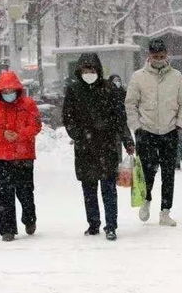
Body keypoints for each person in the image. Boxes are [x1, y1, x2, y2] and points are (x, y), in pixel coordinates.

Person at [63, 53, 135, 241]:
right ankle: (93, 223)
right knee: (89, 188)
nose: (89, 73)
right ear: (79, 71)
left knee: (109, 188)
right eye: (85, 69)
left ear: (98, 70)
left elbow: (120, 118)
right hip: (85, 148)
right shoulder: (73, 91)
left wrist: (127, 139)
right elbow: (68, 118)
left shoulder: (109, 89)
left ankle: (111, 225)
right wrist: (79, 135)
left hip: (107, 145)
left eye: (92, 69)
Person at [125, 38, 182, 227]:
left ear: (167, 55)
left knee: (169, 173)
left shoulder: (176, 76)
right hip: (147, 131)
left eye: (162, 56)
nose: (159, 59)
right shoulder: (138, 77)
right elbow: (130, 103)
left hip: (170, 131)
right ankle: (146, 200)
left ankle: (165, 211)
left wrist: (179, 124)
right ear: (149, 56)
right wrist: (136, 127)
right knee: (148, 172)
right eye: (155, 56)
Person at [0, 71, 42, 242]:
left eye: (11, 90)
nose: (9, 94)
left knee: (25, 191)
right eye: (5, 91)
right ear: (0, 92)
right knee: (4, 193)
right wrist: (3, 134)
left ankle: (29, 218)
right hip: (3, 157)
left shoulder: (29, 104)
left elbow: (36, 126)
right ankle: (7, 229)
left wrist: (19, 135)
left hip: (24, 155)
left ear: (18, 89)